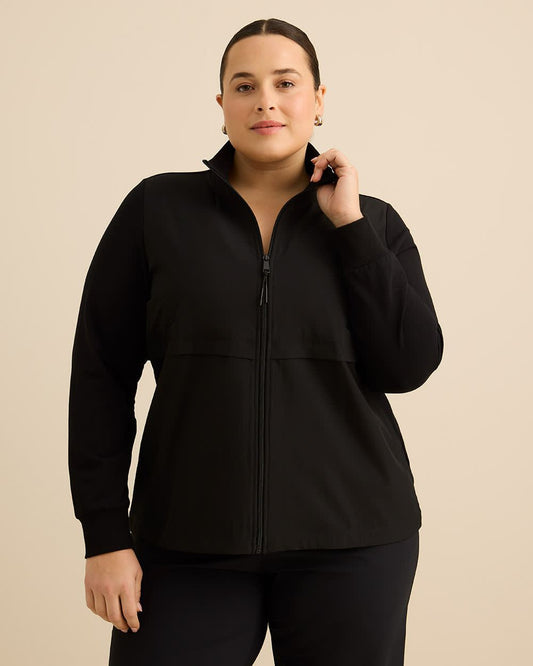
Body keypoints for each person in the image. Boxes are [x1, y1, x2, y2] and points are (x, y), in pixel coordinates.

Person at [68, 17, 444, 666]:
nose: (265, 100)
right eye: (244, 86)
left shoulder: (373, 224)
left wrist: (350, 228)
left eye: (285, 83)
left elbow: (407, 365)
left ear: (318, 100)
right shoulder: (157, 212)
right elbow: (100, 377)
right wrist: (104, 536)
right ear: (222, 107)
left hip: (353, 543)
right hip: (185, 544)